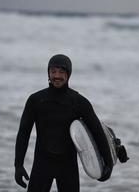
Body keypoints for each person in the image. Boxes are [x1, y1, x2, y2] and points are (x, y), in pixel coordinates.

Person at [14, 54, 114, 192]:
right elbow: (24, 133)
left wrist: (108, 162)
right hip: (42, 164)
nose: (57, 76)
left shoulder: (79, 102)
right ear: (48, 73)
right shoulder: (36, 100)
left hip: (67, 166)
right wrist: (18, 165)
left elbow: (97, 132)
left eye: (61, 72)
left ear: (68, 74)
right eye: (53, 71)